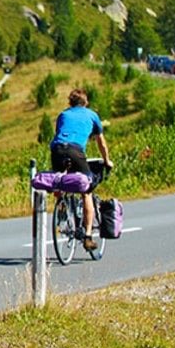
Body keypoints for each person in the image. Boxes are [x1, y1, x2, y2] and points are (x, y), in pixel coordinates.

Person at [49, 88, 113, 252]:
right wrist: (107, 161)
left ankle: (62, 212)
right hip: (75, 151)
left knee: (60, 181)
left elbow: (60, 135)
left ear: (70, 103)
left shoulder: (63, 115)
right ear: (85, 103)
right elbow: (101, 143)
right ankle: (88, 237)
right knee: (86, 191)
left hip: (57, 150)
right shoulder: (92, 115)